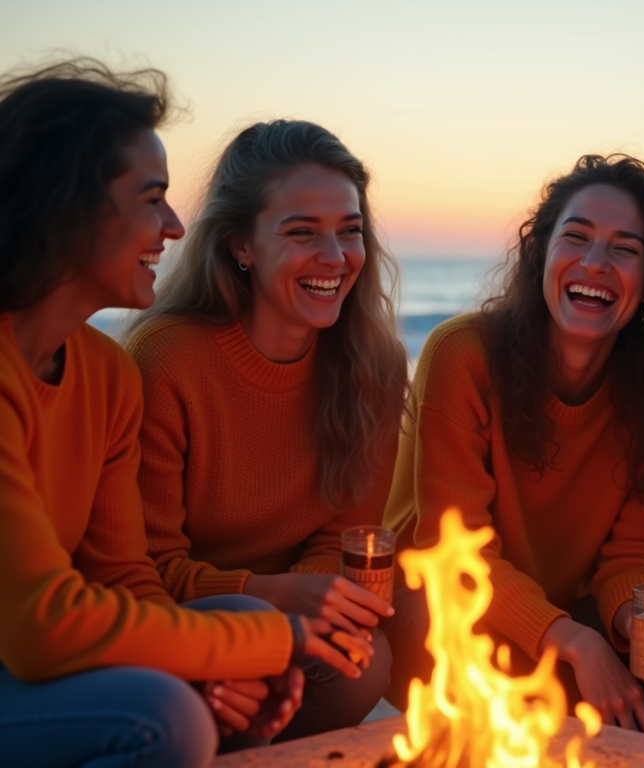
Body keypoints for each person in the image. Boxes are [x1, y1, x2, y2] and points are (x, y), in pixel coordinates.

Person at [0, 58, 375, 767]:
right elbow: (40, 627)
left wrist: (214, 658)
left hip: (42, 660)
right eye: (151, 200)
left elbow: (126, 580)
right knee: (167, 713)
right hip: (21, 657)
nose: (174, 226)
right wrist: (271, 641)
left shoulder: (105, 375)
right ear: (66, 208)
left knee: (239, 628)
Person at [384, 154, 644, 733]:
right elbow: (452, 551)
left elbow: (636, 556)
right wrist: (574, 641)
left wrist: (632, 627)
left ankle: (571, 738)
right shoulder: (462, 355)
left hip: (559, 623)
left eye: (626, 249)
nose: (595, 263)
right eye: (577, 237)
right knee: (468, 631)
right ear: (542, 252)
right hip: (434, 612)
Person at [123, 118, 408, 741]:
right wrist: (273, 594)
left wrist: (315, 596)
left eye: (349, 231)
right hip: (179, 620)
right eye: (302, 232)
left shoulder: (373, 364)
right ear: (240, 245)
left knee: (365, 661)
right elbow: (142, 568)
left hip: (289, 616)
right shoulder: (166, 360)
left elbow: (346, 534)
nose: (334, 258)